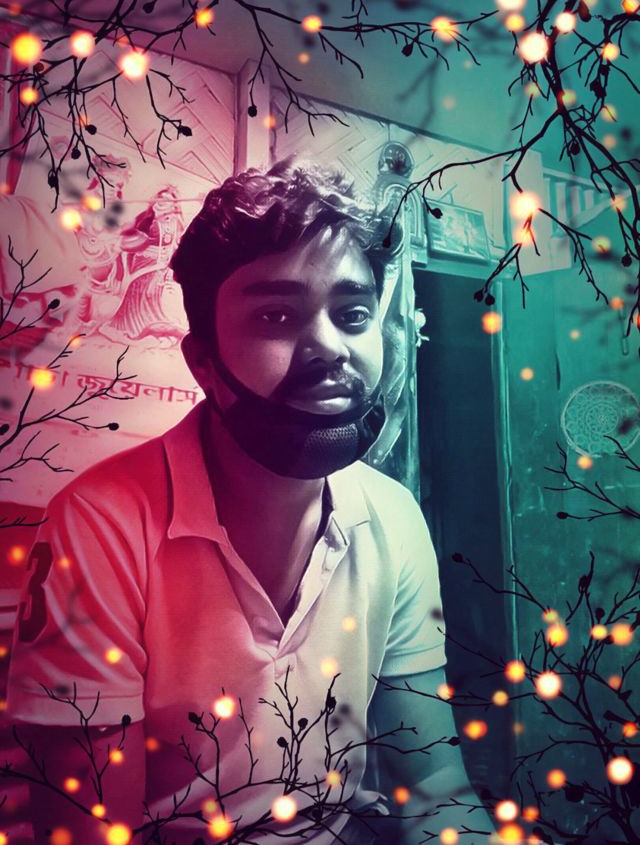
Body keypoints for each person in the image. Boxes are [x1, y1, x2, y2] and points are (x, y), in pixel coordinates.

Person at [6, 160, 490, 843]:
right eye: (276, 315)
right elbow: (88, 833)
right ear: (203, 361)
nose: (330, 347)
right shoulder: (100, 524)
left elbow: (435, 782)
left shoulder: (394, 516)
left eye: (352, 314)